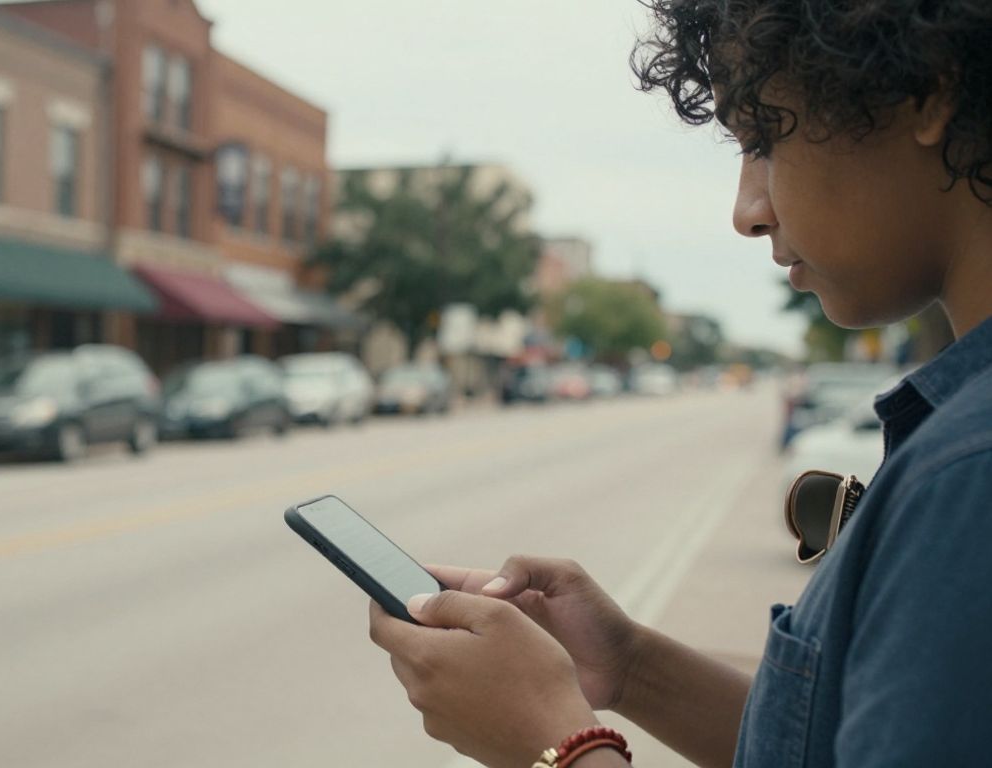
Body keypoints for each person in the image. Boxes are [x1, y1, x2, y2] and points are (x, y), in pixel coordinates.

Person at [367, 2, 992, 766]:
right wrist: (629, 666)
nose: (746, 211)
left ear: (929, 91)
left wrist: (556, 745)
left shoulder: (969, 478)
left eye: (762, 137)